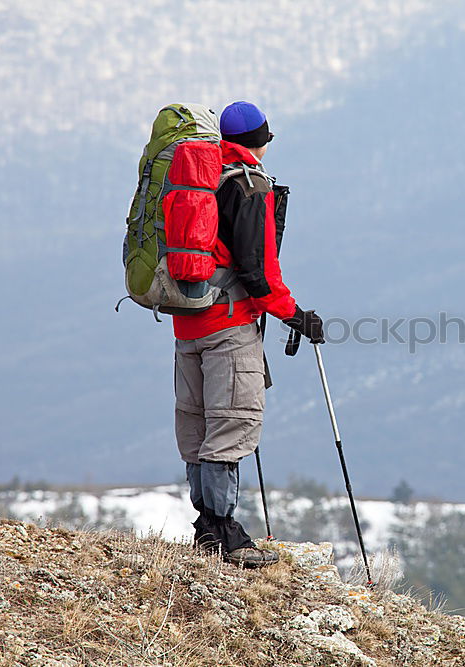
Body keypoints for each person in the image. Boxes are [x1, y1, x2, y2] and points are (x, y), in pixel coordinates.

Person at [173, 101, 324, 567]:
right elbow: (258, 269)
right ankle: (224, 533)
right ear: (262, 140)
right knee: (232, 422)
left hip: (187, 322)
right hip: (229, 325)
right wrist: (293, 314)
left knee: (196, 423)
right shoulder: (248, 184)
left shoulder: (197, 176)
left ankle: (206, 526)